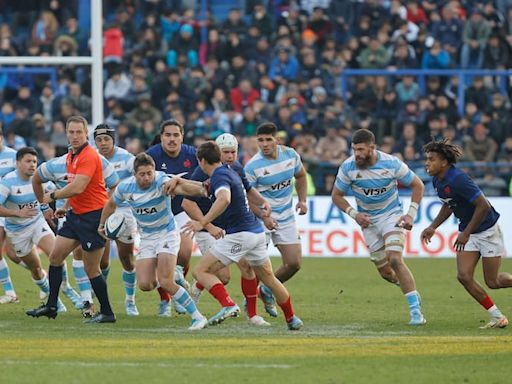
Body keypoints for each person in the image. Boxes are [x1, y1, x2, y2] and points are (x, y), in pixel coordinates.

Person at [182, 141, 303, 330]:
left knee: (200, 271)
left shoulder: (219, 176)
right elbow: (200, 188)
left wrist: (203, 222)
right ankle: (292, 318)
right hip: (256, 232)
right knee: (269, 278)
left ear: (202, 160)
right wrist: (263, 202)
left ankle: (229, 305)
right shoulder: (229, 171)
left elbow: (224, 198)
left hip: (239, 234)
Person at [98, 153, 208, 331]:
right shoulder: (125, 187)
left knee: (165, 281)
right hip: (147, 238)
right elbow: (110, 205)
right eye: (142, 174)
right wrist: (102, 225)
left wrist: (204, 189)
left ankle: (197, 317)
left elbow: (183, 188)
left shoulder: (161, 181)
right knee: (145, 285)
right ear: (134, 174)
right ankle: (174, 278)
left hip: (167, 233)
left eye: (150, 173)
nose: (147, 177)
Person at [331, 129, 426, 325]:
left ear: (372, 148)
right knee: (386, 273)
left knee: (394, 259)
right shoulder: (348, 167)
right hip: (368, 222)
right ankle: (411, 291)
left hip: (391, 216)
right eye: (354, 149)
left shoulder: (391, 163)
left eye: (360, 149)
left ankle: (416, 313)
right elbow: (336, 196)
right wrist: (355, 215)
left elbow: (418, 185)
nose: (356, 154)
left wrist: (410, 214)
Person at [26, 115, 115, 323]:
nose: (75, 136)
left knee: (91, 268)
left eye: (79, 132)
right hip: (76, 215)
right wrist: (65, 206)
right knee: (56, 257)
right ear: (66, 134)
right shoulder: (70, 156)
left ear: (86, 134)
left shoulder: (89, 156)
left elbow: (79, 187)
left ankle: (107, 312)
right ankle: (51, 305)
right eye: (71, 132)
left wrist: (53, 197)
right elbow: (74, 188)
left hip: (93, 217)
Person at [421, 139, 511, 329]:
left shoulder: (458, 179)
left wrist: (466, 233)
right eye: (426, 159)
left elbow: (483, 206)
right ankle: (497, 317)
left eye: (431, 159)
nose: (426, 163)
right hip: (468, 230)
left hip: (487, 230)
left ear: (444, 162)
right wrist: (433, 227)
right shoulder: (438, 180)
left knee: (493, 282)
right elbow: (449, 203)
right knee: (463, 276)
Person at [244, 122, 308, 317]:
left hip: (286, 216)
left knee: (294, 263)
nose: (264, 144)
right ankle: (250, 306)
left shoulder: (291, 155)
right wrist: (264, 217)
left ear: (277, 140)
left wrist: (303, 200)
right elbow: (249, 198)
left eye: (268, 140)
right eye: (260, 140)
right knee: (253, 266)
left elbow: (301, 176)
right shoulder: (253, 166)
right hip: (260, 218)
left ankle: (266, 289)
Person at [0, 147, 68, 311]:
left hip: (32, 218)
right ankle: (43, 280)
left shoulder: (11, 155)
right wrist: (17, 212)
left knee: (56, 254)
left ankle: (69, 293)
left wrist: (48, 208)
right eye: (28, 161)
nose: (32, 165)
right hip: (12, 217)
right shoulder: (7, 181)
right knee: (15, 257)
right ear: (18, 163)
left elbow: (49, 190)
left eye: (34, 162)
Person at [146, 119, 195, 314]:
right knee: (161, 260)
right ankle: (166, 300)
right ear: (161, 137)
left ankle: (177, 290)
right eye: (168, 135)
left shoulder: (193, 155)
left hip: (181, 210)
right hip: (157, 214)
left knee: (184, 254)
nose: (172, 139)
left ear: (182, 136)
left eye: (176, 135)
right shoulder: (151, 156)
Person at [94, 124, 139, 316]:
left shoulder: (127, 158)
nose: (103, 143)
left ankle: (130, 301)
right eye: (99, 140)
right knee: (102, 262)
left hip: (124, 212)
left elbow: (141, 175)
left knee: (126, 259)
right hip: (100, 210)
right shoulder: (92, 158)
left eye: (106, 139)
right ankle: (103, 302)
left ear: (114, 140)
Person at [0, 131, 19, 304]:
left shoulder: (13, 156)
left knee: (14, 254)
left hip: (13, 208)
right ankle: (10, 292)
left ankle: (41, 275)